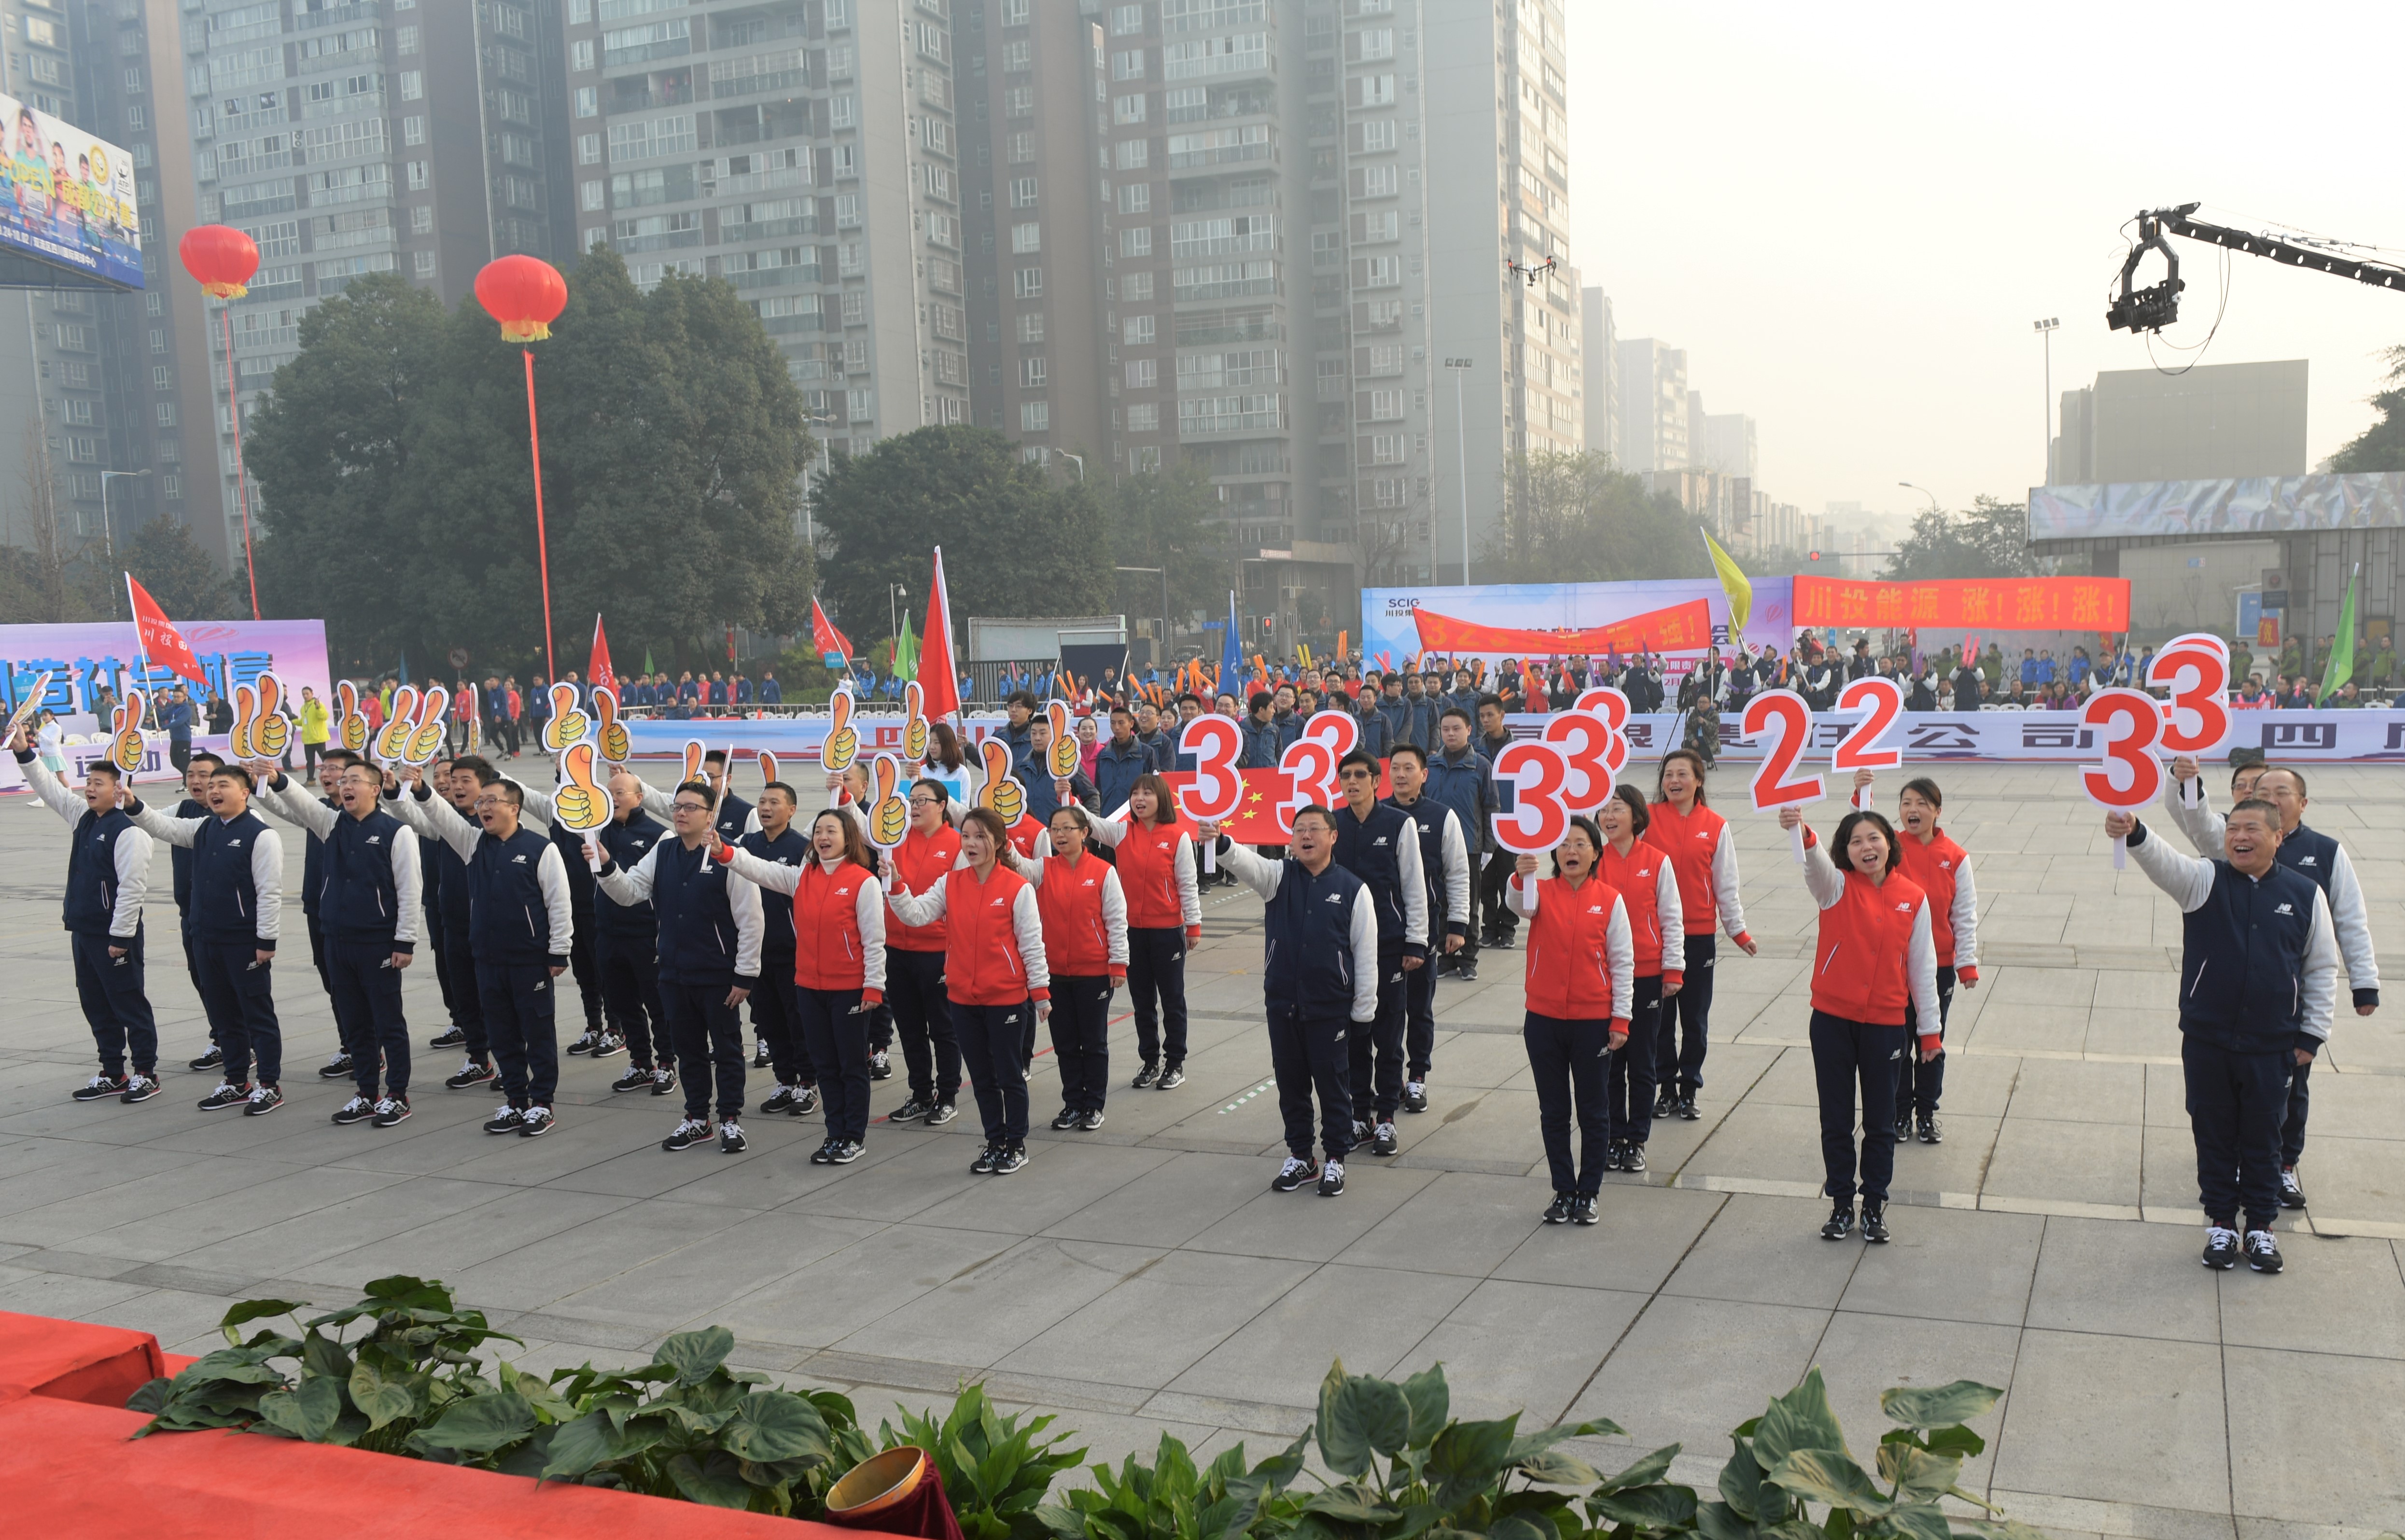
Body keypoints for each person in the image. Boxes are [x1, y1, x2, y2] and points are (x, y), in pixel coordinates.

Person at [2110, 802, 2336, 1274]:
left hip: (2272, 1045)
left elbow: (2320, 967)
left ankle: (2260, 1227)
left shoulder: (2304, 893)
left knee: (2264, 1139)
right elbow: (2164, 862)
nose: (2239, 836)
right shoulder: (2204, 880)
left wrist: (2312, 1034)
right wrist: (2135, 832)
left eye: (2251, 828)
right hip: (2207, 1041)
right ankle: (2220, 1223)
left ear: (2278, 837)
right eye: (2232, 828)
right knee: (2212, 1134)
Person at [2161, 760, 2377, 1209]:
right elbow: (2195, 821)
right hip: (2232, 1013)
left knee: (2290, 1096)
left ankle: (2284, 1165)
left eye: (2282, 792)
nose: (2271, 797)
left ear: (2302, 802)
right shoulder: (2238, 840)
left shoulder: (2326, 852)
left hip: (2289, 1007)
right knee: (2235, 1102)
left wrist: (2364, 983)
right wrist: (2184, 779)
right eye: (2262, 790)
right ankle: (2242, 1171)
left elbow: (2348, 920)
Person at [1777, 803, 1942, 1244]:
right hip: (1832, 1022)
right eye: (1855, 841)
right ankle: (1840, 1204)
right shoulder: (1835, 887)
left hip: (1886, 1026)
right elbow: (1814, 865)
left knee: (1881, 1122)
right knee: (1835, 1118)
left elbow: (1922, 967)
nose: (1866, 847)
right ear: (1844, 851)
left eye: (1874, 838)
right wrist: (1803, 833)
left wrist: (1929, 1031)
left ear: (1890, 844)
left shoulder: (1913, 897)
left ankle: (1873, 1206)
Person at [1201, 806, 1380, 1197]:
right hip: (1283, 1007)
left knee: (1333, 1087)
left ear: (1333, 836)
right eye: (1299, 830)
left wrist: (1363, 1013)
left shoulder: (1353, 889)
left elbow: (1366, 956)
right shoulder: (1278, 877)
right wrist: (1223, 842)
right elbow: (1246, 863)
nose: (1306, 836)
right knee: (1291, 1085)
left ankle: (1335, 1158)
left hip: (1329, 1009)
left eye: (1314, 829)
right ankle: (1302, 1156)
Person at [393, 767, 574, 1137]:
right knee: (502, 1035)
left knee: (537, 1032)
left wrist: (559, 950)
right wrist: (421, 789)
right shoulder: (472, 842)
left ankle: (542, 1103)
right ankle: (516, 1101)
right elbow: (441, 816)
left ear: (515, 808)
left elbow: (559, 902)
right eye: (482, 802)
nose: (485, 807)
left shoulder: (541, 849)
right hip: (487, 960)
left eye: (493, 801)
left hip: (529, 961)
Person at [591, 778, 764, 1153]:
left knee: (727, 1049)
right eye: (677, 807)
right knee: (689, 1050)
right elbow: (630, 892)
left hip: (717, 974)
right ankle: (697, 1118)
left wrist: (745, 974)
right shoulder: (664, 850)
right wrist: (605, 865)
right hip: (673, 972)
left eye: (691, 807)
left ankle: (730, 1118)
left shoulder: (729, 856)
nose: (681, 813)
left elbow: (751, 920)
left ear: (711, 815)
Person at [883, 806, 1052, 1175]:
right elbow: (915, 914)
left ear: (1000, 842)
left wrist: (1040, 992)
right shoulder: (951, 883)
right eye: (966, 836)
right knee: (982, 1077)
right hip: (962, 997)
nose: (971, 843)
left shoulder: (1018, 888)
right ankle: (995, 1142)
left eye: (980, 837)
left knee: (1008, 1075)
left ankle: (1016, 1144)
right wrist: (896, 884)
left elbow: (1031, 944)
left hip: (1006, 997)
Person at [256, 756, 421, 1127]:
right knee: (355, 1023)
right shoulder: (330, 824)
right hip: (337, 940)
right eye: (343, 780)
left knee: (388, 1022)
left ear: (375, 789)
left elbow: (410, 889)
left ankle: (397, 1095)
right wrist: (277, 779)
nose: (345, 785)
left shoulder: (397, 832)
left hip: (378, 943)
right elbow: (301, 801)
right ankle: (367, 1093)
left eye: (354, 780)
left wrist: (405, 941)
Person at [715, 806, 882, 1164]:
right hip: (808, 988)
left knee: (850, 1065)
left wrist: (874, 986)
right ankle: (834, 1134)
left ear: (848, 838)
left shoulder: (863, 881)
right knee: (825, 1065)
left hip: (850, 990)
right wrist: (725, 852)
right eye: (818, 831)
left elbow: (874, 940)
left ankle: (854, 1136)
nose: (823, 837)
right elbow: (759, 869)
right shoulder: (803, 876)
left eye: (832, 831)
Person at [124, 759, 287, 1115]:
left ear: (244, 792)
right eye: (211, 786)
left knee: (257, 1014)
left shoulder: (261, 834)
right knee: (223, 1015)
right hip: (205, 938)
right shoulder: (204, 828)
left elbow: (270, 892)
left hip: (243, 942)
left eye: (222, 785)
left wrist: (266, 941)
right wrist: (133, 804)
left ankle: (269, 1085)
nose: (213, 791)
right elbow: (163, 826)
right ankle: (236, 1081)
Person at [12, 725, 158, 1105]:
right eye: (89, 782)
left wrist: (121, 937)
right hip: (84, 929)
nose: (89, 788)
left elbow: (132, 888)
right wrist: (25, 752)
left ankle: (146, 1073)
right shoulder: (84, 816)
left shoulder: (130, 830)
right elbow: (51, 789)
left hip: (114, 934)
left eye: (98, 783)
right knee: (95, 1003)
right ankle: (113, 1072)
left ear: (119, 789)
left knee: (129, 1003)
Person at [1507, 817, 1634, 1223]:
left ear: (1596, 852)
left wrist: (1621, 1019)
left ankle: (1589, 1192)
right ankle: (1563, 1190)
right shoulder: (1540, 892)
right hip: (1543, 1020)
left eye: (1580, 843)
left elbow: (1622, 962)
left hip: (1592, 1021)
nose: (1571, 851)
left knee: (1594, 1110)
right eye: (1564, 844)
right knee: (1554, 1110)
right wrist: (1520, 875)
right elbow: (1517, 904)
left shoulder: (1610, 900)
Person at [1854, 772, 1980, 1146]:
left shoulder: (1955, 857)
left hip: (1938, 968)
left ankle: (1926, 1113)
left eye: (1922, 804)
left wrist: (1966, 962)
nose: (1913, 809)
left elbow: (1965, 914)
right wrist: (1861, 794)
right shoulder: (1890, 849)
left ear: (1938, 811)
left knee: (1931, 1039)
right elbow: (1858, 842)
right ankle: (1899, 1113)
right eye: (1906, 803)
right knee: (1898, 1041)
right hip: (1893, 966)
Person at [1643, 749, 1756, 1121]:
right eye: (1668, 774)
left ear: (1699, 780)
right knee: (1659, 1019)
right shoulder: (1646, 818)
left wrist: (1737, 930)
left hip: (1698, 937)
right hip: (1655, 936)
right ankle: (1665, 1088)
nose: (1674, 781)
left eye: (1682, 774)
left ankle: (1689, 1087)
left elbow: (1726, 883)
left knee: (1694, 1019)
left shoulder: (1715, 825)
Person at [1329, 748, 1429, 1155]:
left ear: (1376, 781)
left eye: (1360, 775)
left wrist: (1416, 941)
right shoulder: (1331, 823)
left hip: (1388, 946)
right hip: (1343, 949)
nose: (1352, 782)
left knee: (1388, 1038)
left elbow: (1414, 885)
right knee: (1353, 1036)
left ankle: (1386, 1116)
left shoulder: (1399, 824)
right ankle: (1360, 1115)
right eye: (1345, 776)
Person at [1005, 805, 1127, 1131]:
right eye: (1054, 829)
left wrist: (1118, 964)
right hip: (1055, 973)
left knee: (1094, 1041)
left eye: (1067, 828)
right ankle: (1073, 1103)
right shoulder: (1043, 869)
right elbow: (1019, 866)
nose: (1060, 835)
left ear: (1084, 832)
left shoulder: (1103, 872)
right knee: (1065, 1043)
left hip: (1094, 973)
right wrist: (1006, 845)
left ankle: (1094, 1105)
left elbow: (1116, 920)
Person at [1590, 785, 1683, 1173]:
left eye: (1617, 809)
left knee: (1642, 1061)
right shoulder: (1594, 861)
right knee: (1610, 1062)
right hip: (1604, 978)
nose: (1609, 817)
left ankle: (1637, 1139)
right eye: (1604, 811)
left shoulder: (1657, 861)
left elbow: (1671, 916)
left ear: (1636, 815)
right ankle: (1613, 1137)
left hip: (1646, 975)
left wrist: (1673, 968)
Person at [1088, 772, 1200, 1092]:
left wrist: (1193, 924)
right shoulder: (1123, 832)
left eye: (1147, 793)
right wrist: (1068, 794)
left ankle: (1175, 1063)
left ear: (1161, 798)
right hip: (1133, 932)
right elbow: (1090, 823)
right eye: (1135, 794)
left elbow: (1187, 884)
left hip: (1168, 932)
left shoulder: (1178, 837)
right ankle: (1150, 1061)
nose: (1139, 799)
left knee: (1172, 999)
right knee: (1142, 1001)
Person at [1382, 744, 1470, 1112]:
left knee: (1419, 1009)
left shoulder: (1441, 816)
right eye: (1395, 768)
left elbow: (1458, 872)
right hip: (1382, 933)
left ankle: (1417, 1076)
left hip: (1425, 931)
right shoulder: (1376, 815)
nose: (1401, 774)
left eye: (1409, 768)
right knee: (1383, 1014)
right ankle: (1389, 1081)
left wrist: (1458, 924)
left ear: (1424, 774)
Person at [738, 780, 823, 1121]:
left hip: (791, 952)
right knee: (768, 1021)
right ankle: (785, 1080)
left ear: (792, 810)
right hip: (756, 952)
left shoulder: (803, 849)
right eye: (762, 801)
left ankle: (808, 1082)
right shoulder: (746, 845)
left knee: (798, 1020)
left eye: (775, 802)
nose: (766, 807)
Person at [883, 778, 965, 1126]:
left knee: (943, 1028)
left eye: (922, 801)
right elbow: (859, 824)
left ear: (942, 806)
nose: (914, 807)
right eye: (911, 800)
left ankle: (947, 1095)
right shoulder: (894, 840)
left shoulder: (958, 845)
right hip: (896, 949)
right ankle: (921, 1094)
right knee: (909, 1027)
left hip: (937, 952)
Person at [595, 770, 674, 1096]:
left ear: (639, 798)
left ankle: (667, 1062)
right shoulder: (598, 831)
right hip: (607, 932)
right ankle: (641, 1062)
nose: (613, 798)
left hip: (644, 934)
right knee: (621, 1002)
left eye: (620, 793)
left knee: (657, 1004)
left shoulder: (660, 836)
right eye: (609, 792)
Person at [1425, 708, 1499, 980]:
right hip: (1433, 847)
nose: (1451, 734)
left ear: (1469, 731)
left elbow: (1491, 807)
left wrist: (1489, 846)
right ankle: (1445, 958)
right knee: (1439, 905)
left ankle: (1468, 958)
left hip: (1469, 847)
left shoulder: (1481, 766)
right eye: (1445, 729)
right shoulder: (1430, 765)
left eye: (1456, 729)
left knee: (1468, 905)